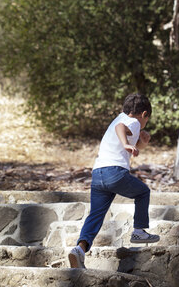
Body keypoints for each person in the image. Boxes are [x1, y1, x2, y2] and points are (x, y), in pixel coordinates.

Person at [68, 93, 160, 269]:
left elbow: (127, 141)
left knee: (96, 215)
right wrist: (126, 143)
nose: (144, 125)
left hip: (98, 174)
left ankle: (79, 250)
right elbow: (121, 128)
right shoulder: (131, 121)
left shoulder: (120, 117)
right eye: (146, 120)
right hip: (114, 173)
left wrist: (142, 143)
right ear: (144, 114)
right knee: (143, 192)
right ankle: (139, 231)